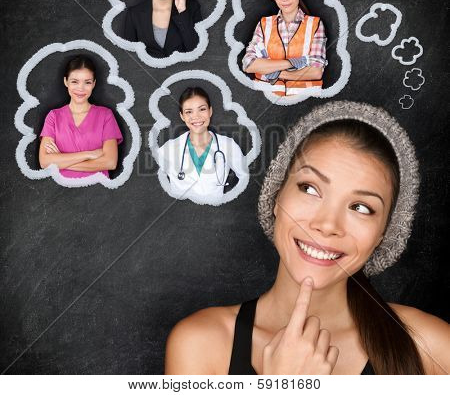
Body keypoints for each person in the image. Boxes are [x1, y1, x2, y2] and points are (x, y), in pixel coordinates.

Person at [164, 101, 449, 374]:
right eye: (310, 188)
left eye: (361, 208)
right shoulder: (201, 345)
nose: (327, 224)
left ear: (382, 236)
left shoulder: (431, 346)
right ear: (277, 195)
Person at [243, 0, 327, 97]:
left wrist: (277, 72)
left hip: (304, 102)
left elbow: (316, 71)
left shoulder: (315, 24)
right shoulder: (264, 24)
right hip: (266, 101)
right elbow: (249, 64)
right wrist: (293, 63)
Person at [157, 87, 248, 202]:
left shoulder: (228, 145)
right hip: (178, 216)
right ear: (182, 116)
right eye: (189, 112)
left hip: (217, 216)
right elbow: (154, 185)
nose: (196, 116)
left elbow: (245, 179)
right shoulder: (168, 149)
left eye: (202, 109)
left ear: (210, 111)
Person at [39, 55, 123, 178]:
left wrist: (60, 161)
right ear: (65, 81)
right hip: (57, 191)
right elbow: (44, 162)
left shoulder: (105, 115)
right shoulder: (53, 116)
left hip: (99, 191)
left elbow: (110, 162)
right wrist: (88, 154)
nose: (80, 88)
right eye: (74, 81)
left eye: (87, 82)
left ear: (94, 84)